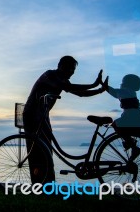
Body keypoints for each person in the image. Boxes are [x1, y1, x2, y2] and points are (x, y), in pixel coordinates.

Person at [23, 55, 106, 184]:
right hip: (32, 114)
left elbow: (80, 93)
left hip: (43, 115)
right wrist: (95, 84)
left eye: (73, 71)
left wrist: (100, 90)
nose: (72, 73)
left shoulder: (63, 80)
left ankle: (48, 184)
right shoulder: (49, 75)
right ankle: (40, 184)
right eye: (71, 69)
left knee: (46, 150)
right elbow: (71, 88)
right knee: (37, 151)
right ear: (62, 66)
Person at [102, 74, 140, 159]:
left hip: (136, 121)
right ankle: (130, 143)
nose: (121, 84)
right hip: (139, 121)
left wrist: (105, 86)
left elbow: (115, 93)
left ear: (126, 84)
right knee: (118, 125)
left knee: (116, 124)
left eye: (123, 83)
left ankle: (132, 144)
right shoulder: (131, 92)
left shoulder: (127, 91)